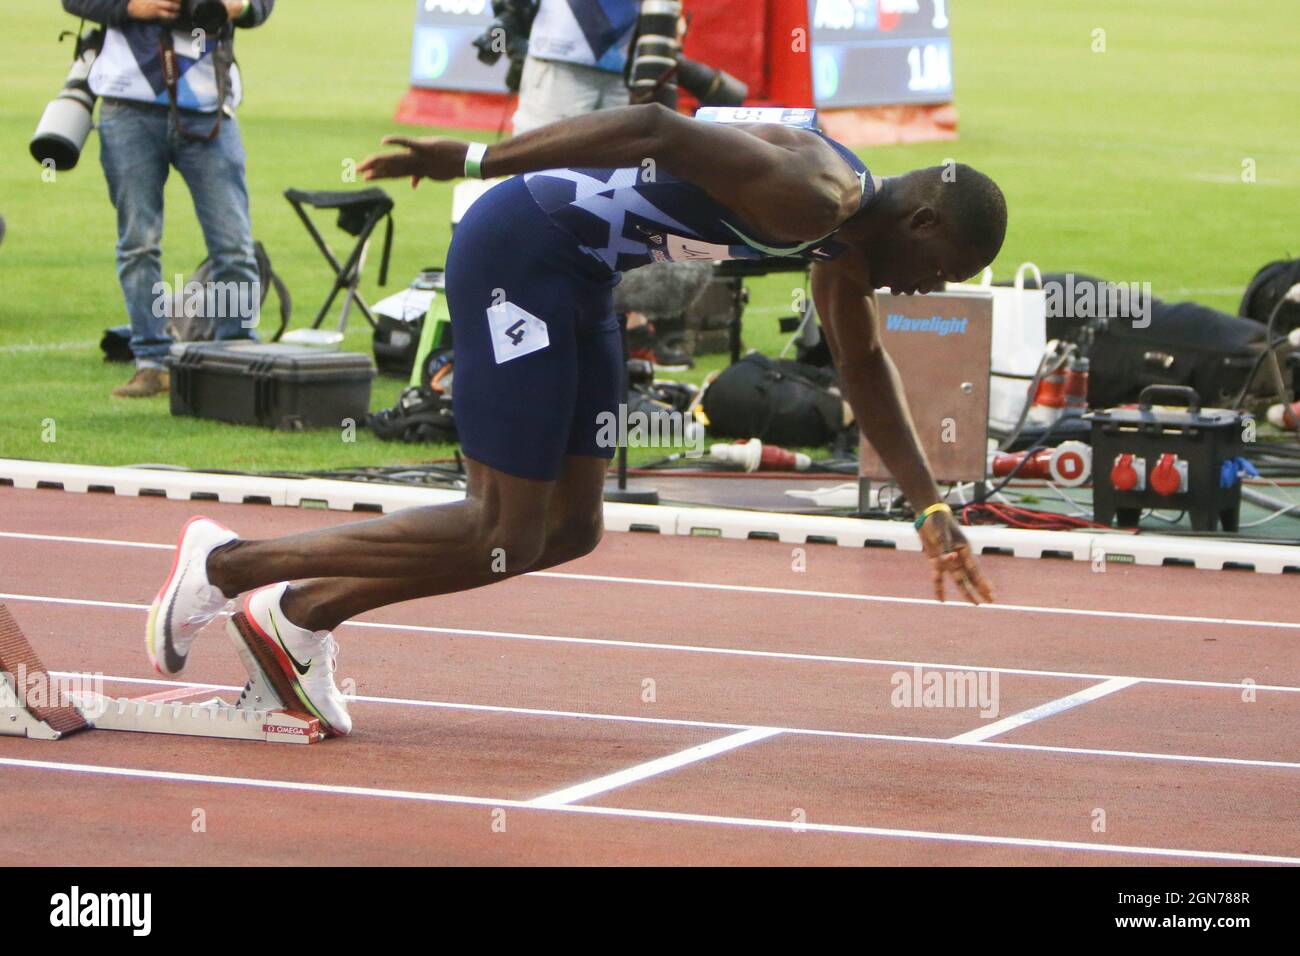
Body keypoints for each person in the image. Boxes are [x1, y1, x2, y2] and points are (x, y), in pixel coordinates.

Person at [147, 105, 1004, 736]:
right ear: (924, 220)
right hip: (517, 254)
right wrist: (478, 156)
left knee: (568, 529)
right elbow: (655, 125)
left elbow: (861, 365)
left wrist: (930, 507)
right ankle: (225, 566)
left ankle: (297, 617)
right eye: (944, 268)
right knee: (501, 525)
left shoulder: (844, 241)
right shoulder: (811, 191)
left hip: (582, 280)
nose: (931, 288)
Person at [63, 0, 274, 397]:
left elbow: (262, 6)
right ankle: (151, 362)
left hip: (209, 108)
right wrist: (130, 6)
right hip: (127, 105)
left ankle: (238, 355)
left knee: (233, 244)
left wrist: (239, 6)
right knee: (138, 243)